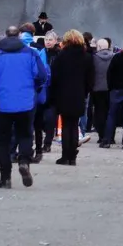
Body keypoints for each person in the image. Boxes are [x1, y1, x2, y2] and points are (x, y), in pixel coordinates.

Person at [0, 24, 49, 188]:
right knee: (25, 134)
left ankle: (5, 178)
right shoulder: (31, 53)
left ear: (6, 35)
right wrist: (34, 88)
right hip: (26, 101)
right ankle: (24, 161)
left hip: (2, 102)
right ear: (19, 35)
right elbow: (42, 75)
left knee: (3, 141)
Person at [48, 30, 92, 166]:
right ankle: (72, 157)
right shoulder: (87, 57)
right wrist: (85, 93)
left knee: (66, 125)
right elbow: (90, 79)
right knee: (74, 125)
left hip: (63, 94)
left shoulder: (62, 56)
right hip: (79, 95)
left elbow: (54, 77)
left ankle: (65, 156)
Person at [34, 30, 61, 160]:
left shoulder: (59, 54)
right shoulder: (40, 53)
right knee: (39, 118)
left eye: (50, 40)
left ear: (56, 41)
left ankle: (47, 143)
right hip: (42, 88)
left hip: (54, 90)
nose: (48, 42)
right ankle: (39, 144)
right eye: (46, 39)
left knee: (50, 119)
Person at [91, 37, 115, 143]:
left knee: (99, 112)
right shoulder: (114, 57)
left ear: (99, 47)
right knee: (111, 112)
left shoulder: (94, 58)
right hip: (111, 88)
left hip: (97, 89)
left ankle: (101, 136)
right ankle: (111, 136)